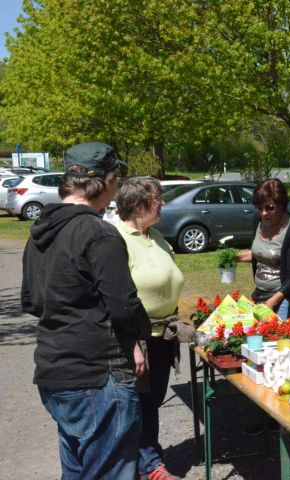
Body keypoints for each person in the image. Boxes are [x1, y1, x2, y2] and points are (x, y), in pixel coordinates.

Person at [21, 142, 151, 479]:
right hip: (96, 376)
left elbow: (32, 301)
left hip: (55, 373)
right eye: (117, 179)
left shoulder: (38, 233)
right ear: (107, 182)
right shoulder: (98, 233)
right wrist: (142, 330)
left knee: (78, 471)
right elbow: (124, 308)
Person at [115, 177, 188, 480]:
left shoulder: (154, 234)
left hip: (162, 335)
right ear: (139, 204)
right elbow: (117, 297)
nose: (163, 203)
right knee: (138, 405)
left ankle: (149, 460)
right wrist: (131, 341)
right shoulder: (117, 238)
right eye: (158, 198)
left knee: (152, 402)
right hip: (139, 339)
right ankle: (146, 465)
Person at [237, 178, 290, 320]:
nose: (264, 213)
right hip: (261, 293)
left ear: (281, 205)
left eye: (269, 207)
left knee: (280, 339)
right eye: (259, 208)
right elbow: (260, 253)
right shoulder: (257, 221)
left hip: (287, 297)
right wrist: (232, 258)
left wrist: (271, 302)